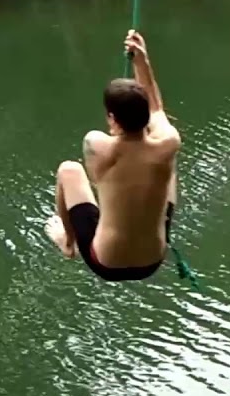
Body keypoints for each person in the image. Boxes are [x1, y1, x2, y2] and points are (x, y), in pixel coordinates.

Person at [46, 29, 181, 281]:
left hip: (105, 262)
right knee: (168, 166)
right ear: (145, 117)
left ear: (112, 118)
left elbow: (97, 178)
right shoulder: (169, 143)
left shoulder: (96, 145)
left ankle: (67, 243)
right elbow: (157, 108)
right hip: (152, 261)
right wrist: (143, 61)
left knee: (68, 170)